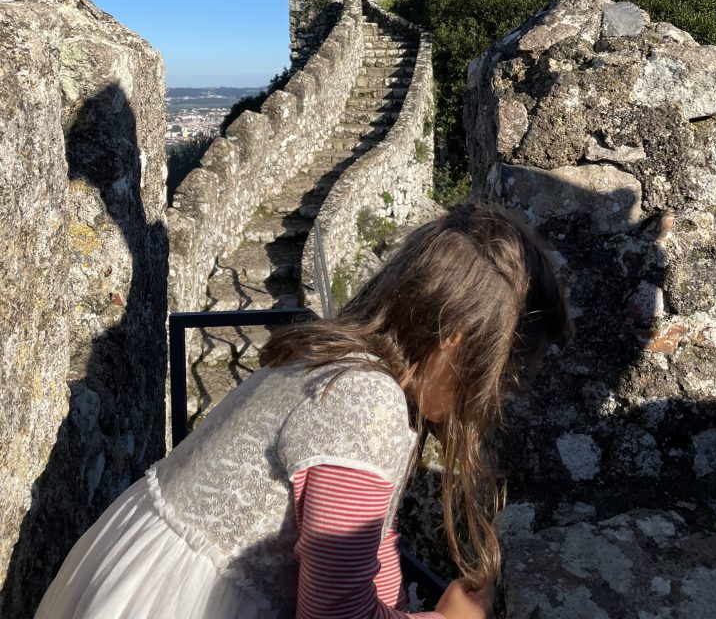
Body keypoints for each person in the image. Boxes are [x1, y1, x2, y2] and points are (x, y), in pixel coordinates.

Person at [36, 201, 569, 619]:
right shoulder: (367, 404)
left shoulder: (337, 360)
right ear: (454, 341)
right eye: (507, 375)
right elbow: (336, 614)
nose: (501, 397)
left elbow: (368, 542)